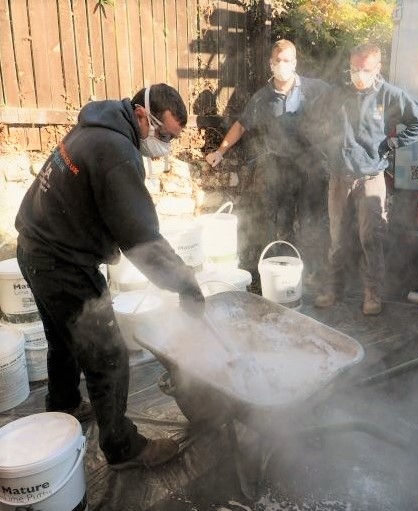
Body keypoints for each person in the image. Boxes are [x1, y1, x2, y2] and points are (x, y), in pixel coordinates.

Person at [15, 83, 205, 470]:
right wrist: (184, 282)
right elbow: (141, 239)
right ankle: (122, 447)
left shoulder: (95, 126)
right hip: (61, 262)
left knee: (63, 337)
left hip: (32, 246)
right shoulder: (117, 152)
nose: (165, 144)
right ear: (141, 115)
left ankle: (64, 404)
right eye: (164, 134)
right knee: (110, 356)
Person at [314, 43, 418, 315]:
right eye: (354, 68)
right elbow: (313, 119)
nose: (359, 74)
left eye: (365, 70)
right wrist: (326, 147)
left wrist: (395, 142)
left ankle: (372, 294)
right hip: (339, 175)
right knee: (337, 238)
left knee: (371, 238)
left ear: (378, 68)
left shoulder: (389, 95)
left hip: (371, 176)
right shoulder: (336, 93)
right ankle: (333, 288)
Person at [205, 39, 330, 268]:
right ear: (271, 63)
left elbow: (339, 106)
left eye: (287, 60)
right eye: (278, 60)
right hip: (279, 168)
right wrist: (220, 152)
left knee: (311, 222)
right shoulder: (262, 97)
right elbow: (241, 125)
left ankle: (314, 273)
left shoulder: (316, 89)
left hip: (310, 167)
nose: (282, 64)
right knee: (282, 222)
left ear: (295, 63)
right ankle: (284, 270)